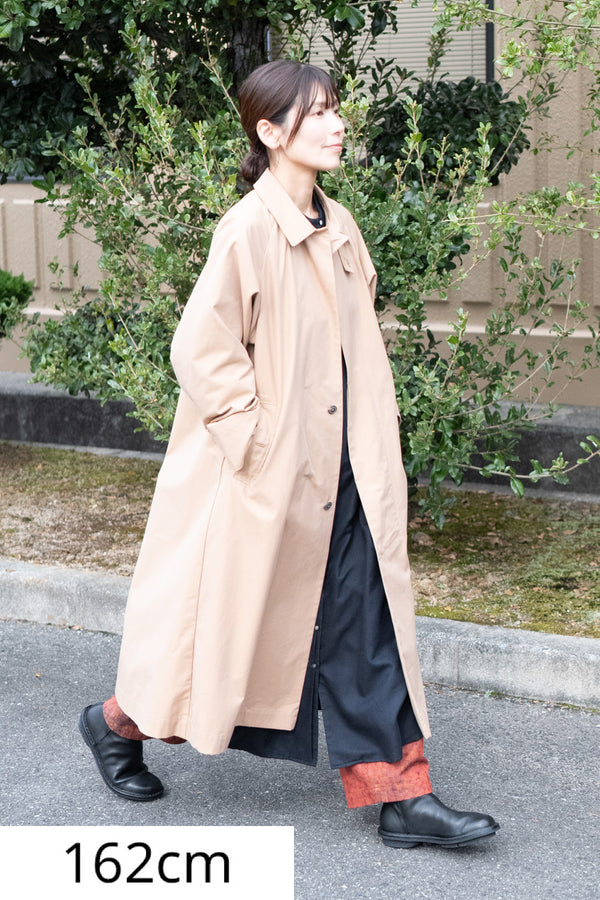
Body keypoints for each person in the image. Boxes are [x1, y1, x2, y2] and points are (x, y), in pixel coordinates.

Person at [79, 59, 499, 850]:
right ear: (270, 132)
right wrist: (257, 441)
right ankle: (116, 722)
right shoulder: (247, 230)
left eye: (337, 110)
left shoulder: (339, 225)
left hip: (346, 468)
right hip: (269, 478)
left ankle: (402, 795)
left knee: (366, 620)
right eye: (318, 113)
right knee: (225, 636)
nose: (337, 125)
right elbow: (200, 349)